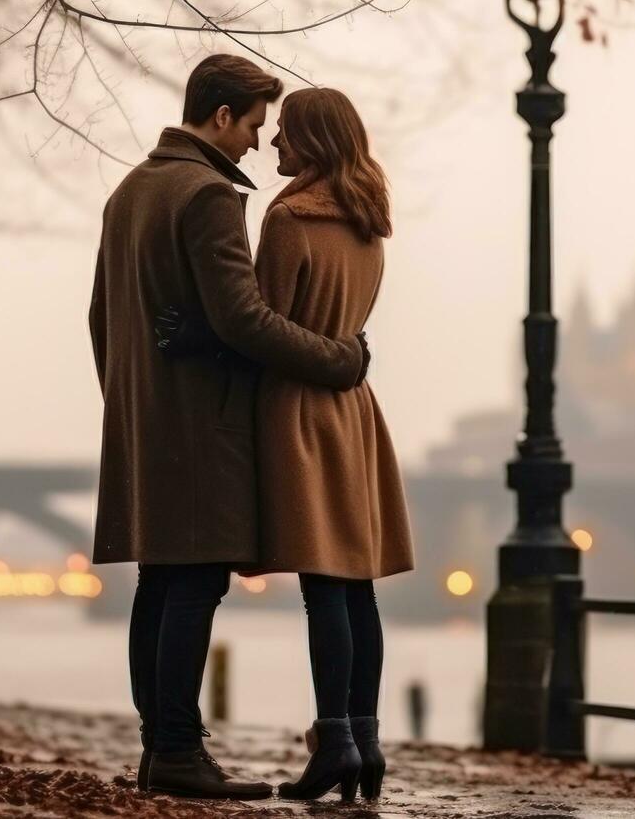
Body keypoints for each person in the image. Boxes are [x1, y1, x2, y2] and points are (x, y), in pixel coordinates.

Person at [87, 54, 370, 800]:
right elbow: (245, 320)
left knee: (159, 583)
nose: (254, 142)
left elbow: (99, 318)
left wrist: (129, 400)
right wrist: (339, 359)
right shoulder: (208, 193)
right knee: (193, 587)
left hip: (144, 419)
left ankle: (159, 748)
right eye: (250, 125)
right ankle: (178, 751)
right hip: (203, 422)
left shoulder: (128, 192)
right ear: (221, 117)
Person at [245, 88, 413, 802]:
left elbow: (263, 325)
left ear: (311, 142)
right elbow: (350, 324)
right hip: (354, 408)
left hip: (300, 410)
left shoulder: (288, 220)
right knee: (355, 587)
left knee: (322, 590)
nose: (274, 145)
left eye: (285, 135)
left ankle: (334, 744)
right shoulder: (370, 225)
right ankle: (366, 742)